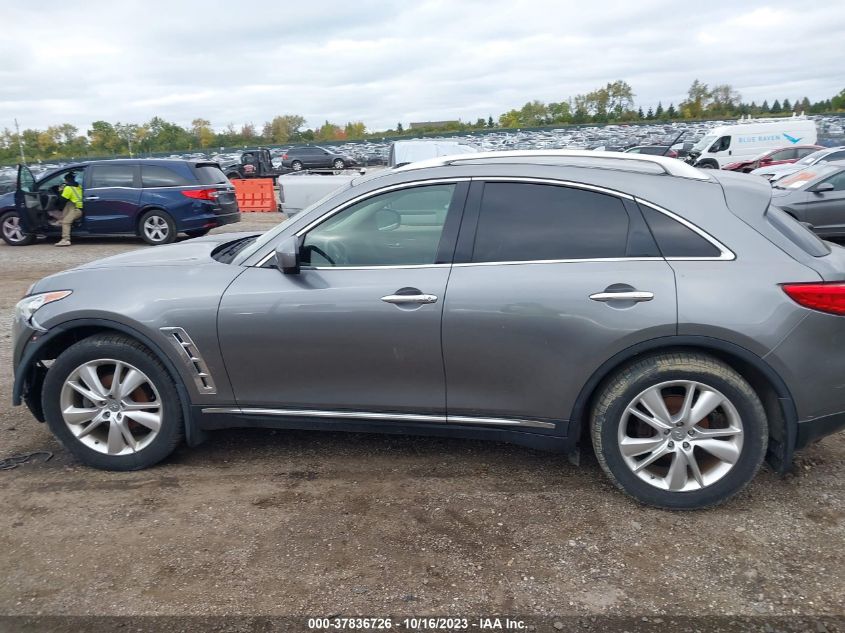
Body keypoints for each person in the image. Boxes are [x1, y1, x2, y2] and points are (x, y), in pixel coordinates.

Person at [56, 172, 83, 247]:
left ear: (66, 180)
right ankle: (61, 219)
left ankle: (65, 240)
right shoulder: (78, 186)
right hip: (79, 206)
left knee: (66, 222)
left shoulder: (68, 188)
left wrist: (60, 191)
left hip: (78, 209)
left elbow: (62, 200)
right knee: (69, 203)